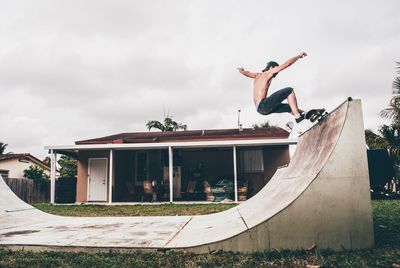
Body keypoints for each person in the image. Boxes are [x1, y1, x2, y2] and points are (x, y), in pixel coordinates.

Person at [238, 52, 307, 123]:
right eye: (276, 71)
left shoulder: (257, 75)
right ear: (271, 67)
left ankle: (305, 114)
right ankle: (298, 117)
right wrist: (298, 56)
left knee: (290, 107)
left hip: (260, 109)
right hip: (263, 105)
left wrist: (241, 71)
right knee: (289, 90)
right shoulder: (270, 72)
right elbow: (287, 64)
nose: (276, 73)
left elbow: (247, 73)